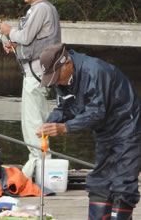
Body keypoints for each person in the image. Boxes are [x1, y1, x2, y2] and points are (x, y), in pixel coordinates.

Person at [37, 43, 141, 220]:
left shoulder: (95, 71)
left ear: (67, 64)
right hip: (104, 133)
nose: (54, 81)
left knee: (123, 184)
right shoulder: (62, 81)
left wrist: (65, 127)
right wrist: (50, 123)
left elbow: (96, 111)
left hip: (127, 128)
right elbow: (65, 107)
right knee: (99, 182)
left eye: (55, 76)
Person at [0, 0, 61, 178]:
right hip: (35, 74)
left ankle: (39, 168)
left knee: (33, 123)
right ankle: (37, 167)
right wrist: (14, 44)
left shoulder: (41, 9)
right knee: (33, 122)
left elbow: (25, 36)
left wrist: (9, 31)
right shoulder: (40, 10)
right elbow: (31, 40)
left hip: (36, 75)